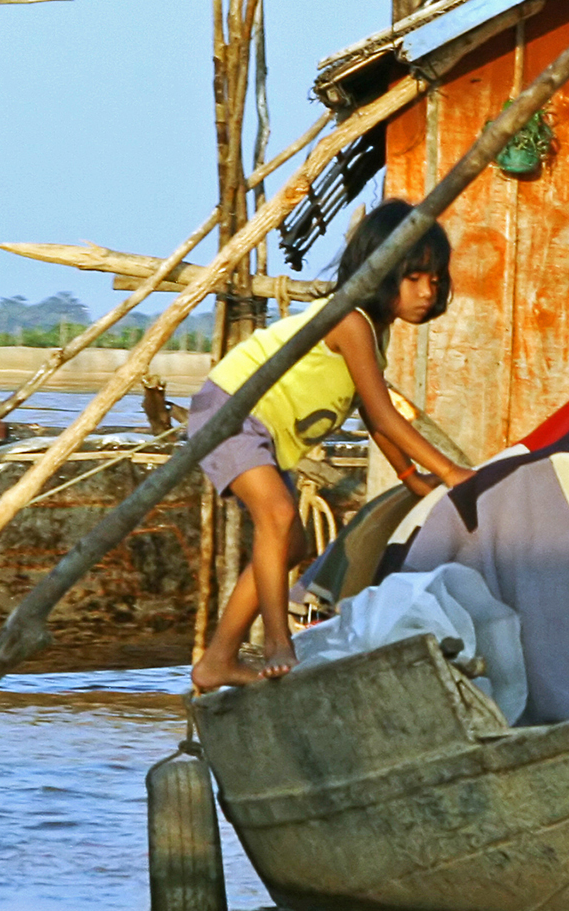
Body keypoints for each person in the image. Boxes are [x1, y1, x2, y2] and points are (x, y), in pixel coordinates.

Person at [189, 199, 473, 691]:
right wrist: (450, 474)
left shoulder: (373, 332)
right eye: (414, 279)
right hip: (233, 410)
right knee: (277, 519)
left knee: (290, 543)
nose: (427, 292)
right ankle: (279, 643)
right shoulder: (350, 320)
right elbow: (384, 413)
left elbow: (370, 413)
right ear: (381, 272)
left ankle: (217, 661)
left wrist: (409, 477)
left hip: (266, 433)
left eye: (434, 280)